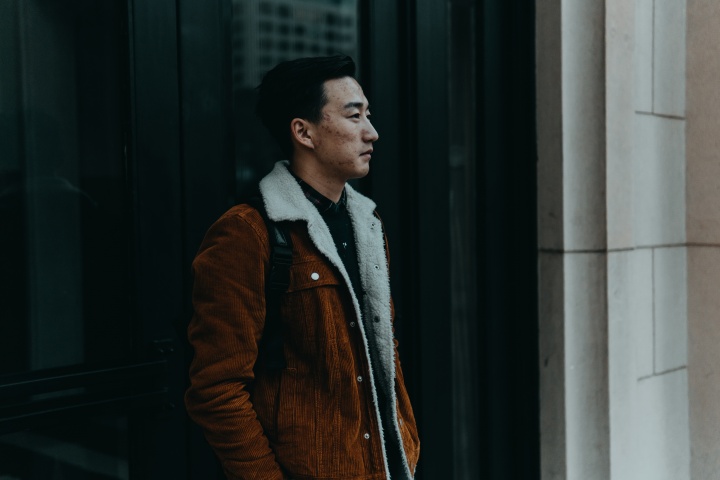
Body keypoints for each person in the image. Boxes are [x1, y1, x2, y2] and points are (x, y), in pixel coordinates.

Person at [185, 55, 420, 480]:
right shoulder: (247, 233)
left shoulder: (367, 223)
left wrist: (407, 442)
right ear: (303, 132)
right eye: (354, 116)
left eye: (368, 114)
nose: (372, 131)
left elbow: (381, 348)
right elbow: (216, 389)